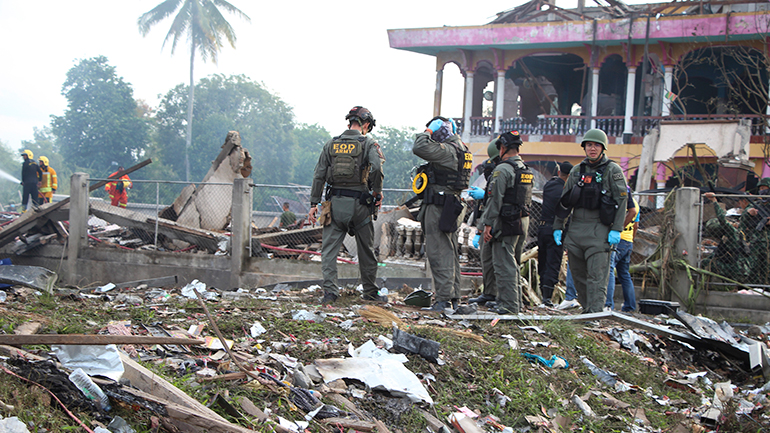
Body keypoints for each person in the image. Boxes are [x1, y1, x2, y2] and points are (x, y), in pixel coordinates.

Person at [307, 106, 384, 305]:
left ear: (350, 122)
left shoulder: (331, 144)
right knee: (366, 250)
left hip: (334, 206)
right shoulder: (368, 143)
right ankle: (370, 292)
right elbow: (376, 169)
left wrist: (313, 203)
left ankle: (330, 293)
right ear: (366, 124)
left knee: (329, 251)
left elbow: (319, 175)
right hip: (361, 206)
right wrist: (377, 192)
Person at [553, 128, 628, 314]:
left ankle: (595, 313)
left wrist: (617, 229)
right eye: (588, 145)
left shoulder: (612, 170)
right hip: (577, 229)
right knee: (578, 275)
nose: (592, 148)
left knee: (597, 276)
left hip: (600, 230)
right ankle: (587, 309)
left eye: (596, 145)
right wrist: (558, 227)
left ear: (603, 148)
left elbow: (622, 200)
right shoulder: (578, 171)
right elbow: (565, 200)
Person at [413, 116, 471, 311]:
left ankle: (443, 300)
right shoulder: (461, 148)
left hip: (440, 206)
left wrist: (428, 131)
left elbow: (419, 147)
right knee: (450, 251)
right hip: (451, 205)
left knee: (439, 252)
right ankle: (452, 298)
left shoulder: (448, 150)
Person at [479, 130, 533, 315]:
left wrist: (488, 224)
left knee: (504, 264)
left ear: (502, 148)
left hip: (506, 221)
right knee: (513, 263)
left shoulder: (503, 169)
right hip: (521, 220)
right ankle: (509, 300)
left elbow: (495, 200)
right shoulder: (524, 169)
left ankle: (510, 306)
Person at [468, 139, 501, 307]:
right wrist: (479, 230)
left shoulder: (505, 172)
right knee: (487, 259)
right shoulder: (494, 176)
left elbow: (497, 201)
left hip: (500, 223)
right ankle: (489, 293)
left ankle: (501, 297)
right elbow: (485, 208)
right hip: (488, 222)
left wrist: (486, 195)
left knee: (500, 263)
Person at [537, 160, 572, 307]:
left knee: (543, 261)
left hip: (542, 228)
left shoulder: (549, 185)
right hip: (556, 229)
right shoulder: (566, 191)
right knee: (553, 262)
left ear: (559, 173)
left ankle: (541, 294)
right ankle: (547, 298)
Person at [702, 192, 750, 283]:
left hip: (736, 271)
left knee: (709, 264)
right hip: (739, 269)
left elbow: (721, 219)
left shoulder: (732, 232)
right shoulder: (736, 233)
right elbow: (716, 254)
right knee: (709, 261)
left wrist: (714, 201)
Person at [605, 187, 639, 312]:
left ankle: (608, 304)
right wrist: (631, 241)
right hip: (628, 241)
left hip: (618, 239)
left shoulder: (621, 202)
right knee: (624, 274)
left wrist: (618, 229)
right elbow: (636, 225)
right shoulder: (636, 204)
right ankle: (630, 306)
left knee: (609, 269)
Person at [739, 177, 770, 285]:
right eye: (761, 188)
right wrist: (748, 213)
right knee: (753, 267)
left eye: (764, 188)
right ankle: (753, 287)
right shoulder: (756, 204)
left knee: (767, 267)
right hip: (755, 241)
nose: (762, 190)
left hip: (768, 242)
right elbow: (742, 220)